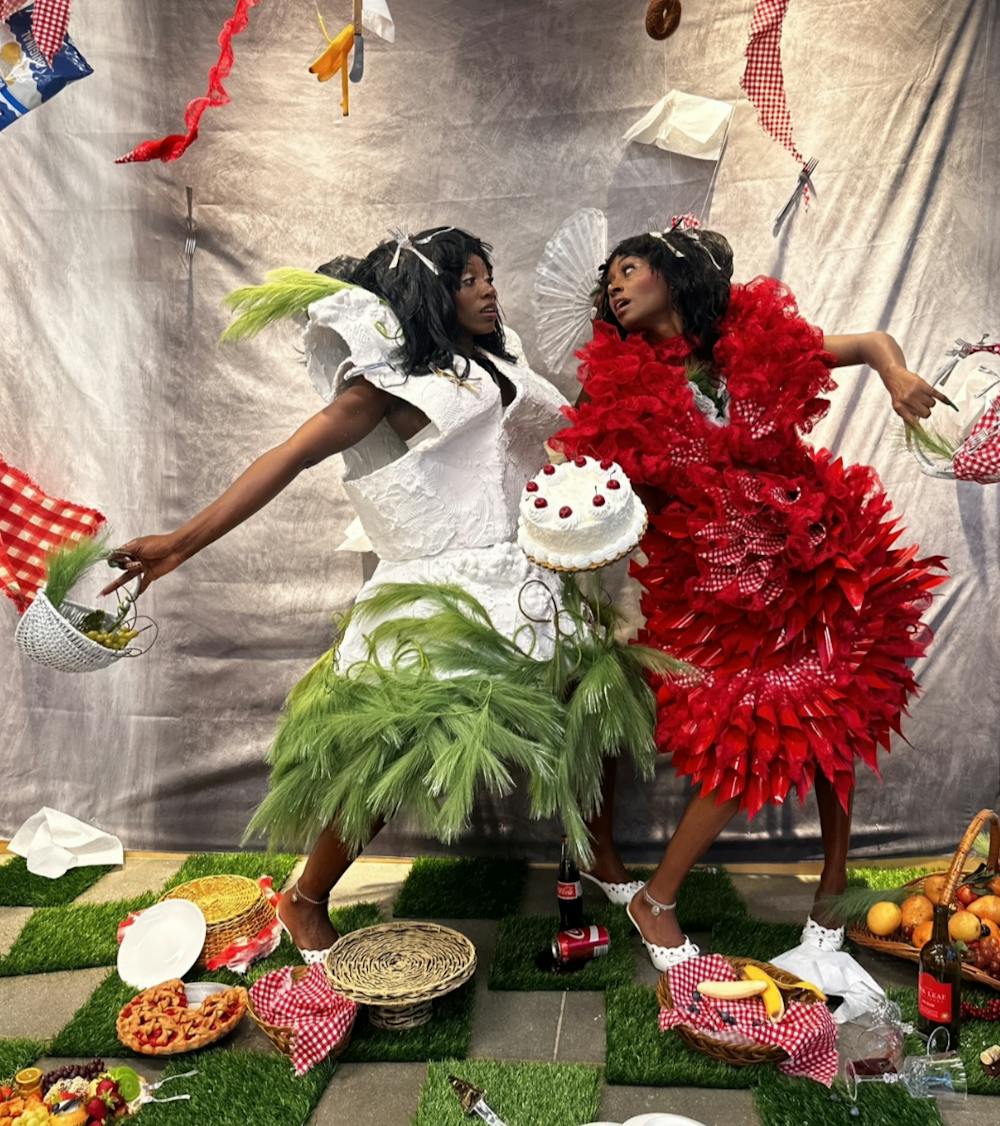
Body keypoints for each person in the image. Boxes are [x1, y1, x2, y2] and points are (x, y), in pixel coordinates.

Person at [103, 226, 656, 960]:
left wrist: (617, 350)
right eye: (467, 279)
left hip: (527, 576)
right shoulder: (386, 390)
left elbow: (560, 428)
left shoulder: (502, 358)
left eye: (488, 274)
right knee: (393, 751)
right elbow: (289, 457)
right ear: (432, 295)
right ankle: (305, 900)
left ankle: (596, 850)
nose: (489, 288)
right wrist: (181, 541)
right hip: (438, 595)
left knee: (596, 693)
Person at [552, 221, 946, 969]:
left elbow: (864, 343)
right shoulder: (619, 382)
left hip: (813, 551)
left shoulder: (752, 344)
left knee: (840, 704)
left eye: (630, 268)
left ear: (674, 273)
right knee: (754, 734)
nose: (615, 284)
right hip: (715, 587)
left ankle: (832, 883)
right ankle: (655, 897)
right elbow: (595, 482)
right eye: (609, 278)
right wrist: (570, 485)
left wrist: (897, 378)